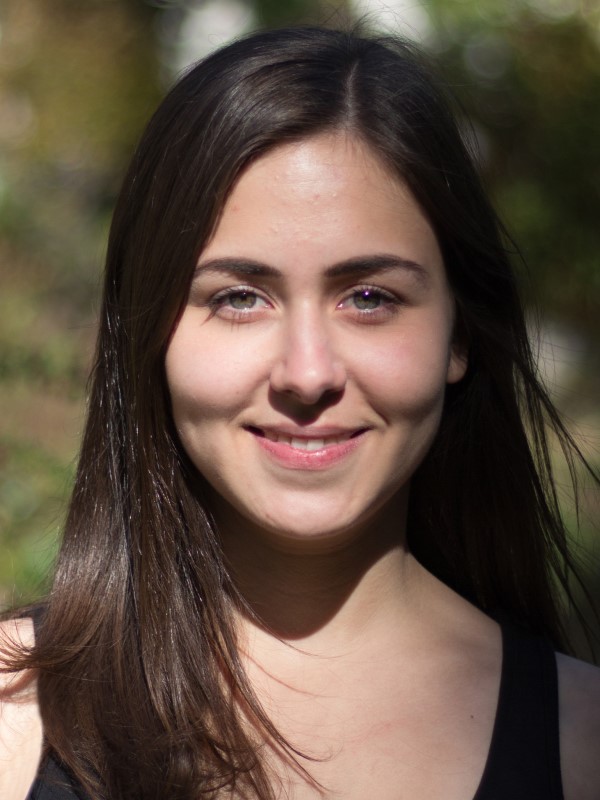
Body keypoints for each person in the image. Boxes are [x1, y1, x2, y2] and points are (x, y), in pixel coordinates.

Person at [1, 25, 599, 800]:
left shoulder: (584, 744)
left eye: (370, 297)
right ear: (149, 334)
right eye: (239, 298)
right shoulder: (12, 720)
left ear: (459, 334)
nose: (308, 373)